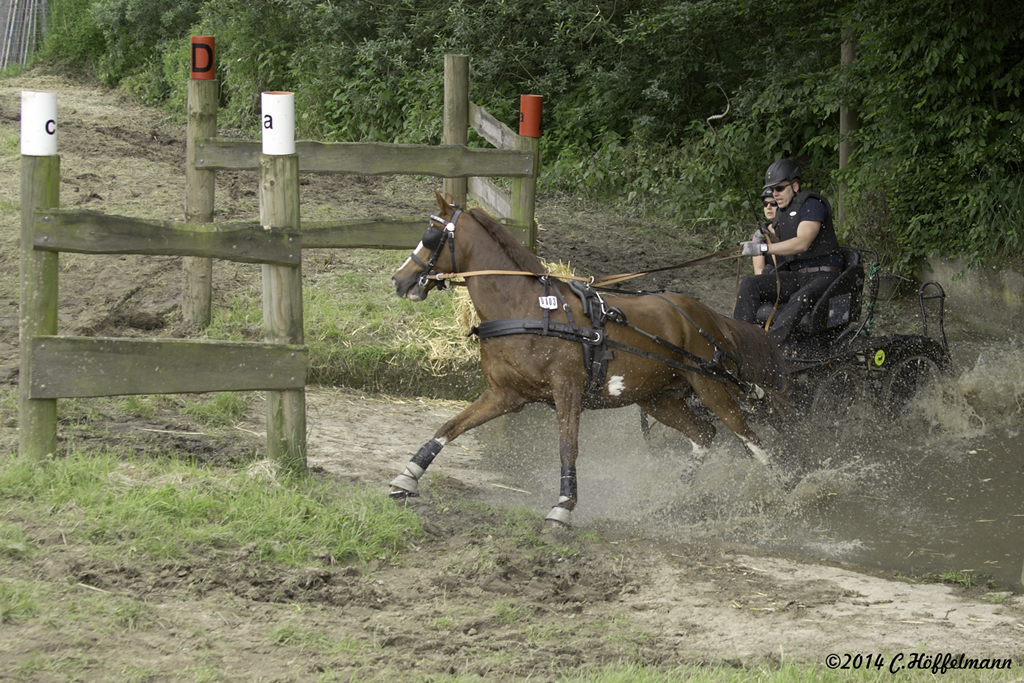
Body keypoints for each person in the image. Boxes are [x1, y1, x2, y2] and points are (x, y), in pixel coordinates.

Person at [733, 159, 843, 343]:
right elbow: (782, 239)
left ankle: (770, 345)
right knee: (750, 284)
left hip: (824, 275)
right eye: (772, 189)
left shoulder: (811, 205)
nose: (775, 194)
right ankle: (740, 340)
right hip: (797, 275)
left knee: (801, 297)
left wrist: (763, 248)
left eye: (779, 188)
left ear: (795, 185)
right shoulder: (782, 212)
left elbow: (802, 242)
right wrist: (763, 237)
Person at [751, 187, 777, 276]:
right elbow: (758, 269)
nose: (768, 207)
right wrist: (765, 274)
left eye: (773, 203)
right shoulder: (759, 234)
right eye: (765, 204)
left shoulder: (793, 228)